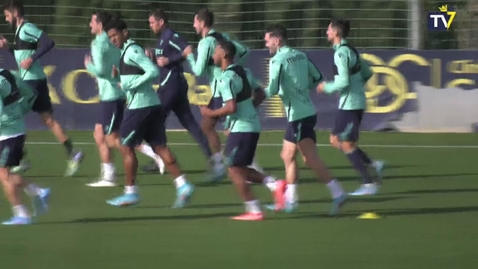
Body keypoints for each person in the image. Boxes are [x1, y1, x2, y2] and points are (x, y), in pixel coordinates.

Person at [104, 19, 194, 208]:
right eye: (110, 36)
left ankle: (130, 193)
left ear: (125, 33)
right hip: (151, 104)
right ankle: (183, 184)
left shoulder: (132, 51)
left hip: (140, 107)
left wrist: (128, 84)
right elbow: (136, 77)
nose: (113, 39)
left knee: (125, 146)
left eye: (115, 35)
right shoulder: (127, 52)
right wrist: (119, 79)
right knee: (159, 147)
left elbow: (153, 71)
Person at [263, 24, 347, 215]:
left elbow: (273, 90)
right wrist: (300, 87)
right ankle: (291, 201)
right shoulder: (300, 55)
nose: (265, 43)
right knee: (287, 155)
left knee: (310, 159)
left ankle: (338, 192)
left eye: (267, 40)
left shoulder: (277, 60)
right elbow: (317, 77)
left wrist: (254, 93)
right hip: (306, 112)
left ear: (277, 41)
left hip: (298, 116)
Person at [199, 41, 281, 221]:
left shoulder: (225, 78)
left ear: (224, 54)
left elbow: (231, 107)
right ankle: (275, 185)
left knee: (234, 170)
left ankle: (255, 210)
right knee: (240, 169)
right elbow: (260, 94)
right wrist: (249, 109)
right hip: (251, 126)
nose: (213, 54)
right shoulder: (245, 72)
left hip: (241, 128)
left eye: (216, 50)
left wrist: (210, 113)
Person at [0, 0, 83, 176]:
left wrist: (32, 59)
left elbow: (48, 42)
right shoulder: (19, 32)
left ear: (15, 13)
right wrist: (8, 49)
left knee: (9, 117)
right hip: (34, 80)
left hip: (31, 83)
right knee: (48, 120)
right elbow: (23, 59)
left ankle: (21, 159)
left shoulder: (27, 28)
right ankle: (73, 153)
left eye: (7, 16)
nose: (6, 20)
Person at [183, 8, 263, 181]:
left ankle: (225, 166)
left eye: (195, 21)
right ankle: (235, 165)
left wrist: (189, 56)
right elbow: (244, 52)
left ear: (202, 23)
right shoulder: (223, 36)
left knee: (213, 127)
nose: (193, 25)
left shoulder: (205, 43)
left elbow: (197, 70)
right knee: (220, 127)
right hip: (228, 84)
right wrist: (232, 68)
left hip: (221, 88)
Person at [317, 19, 385, 196]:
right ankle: (373, 164)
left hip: (351, 105)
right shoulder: (350, 50)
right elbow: (367, 72)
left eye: (329, 29)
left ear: (336, 33)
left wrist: (326, 87)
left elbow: (343, 82)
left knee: (346, 144)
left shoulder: (341, 54)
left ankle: (368, 183)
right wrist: (354, 87)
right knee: (335, 141)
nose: (326, 32)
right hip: (351, 102)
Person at [140, 9, 211, 174]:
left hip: (170, 86)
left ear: (161, 22)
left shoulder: (171, 35)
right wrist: (153, 57)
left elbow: (187, 50)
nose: (150, 26)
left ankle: (162, 160)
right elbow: (165, 59)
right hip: (175, 86)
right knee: (189, 122)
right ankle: (212, 158)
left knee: (153, 123)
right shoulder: (162, 39)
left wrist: (170, 60)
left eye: (152, 22)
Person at [0, 68, 50, 225]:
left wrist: (10, 118)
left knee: (4, 175)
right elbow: (30, 94)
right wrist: (18, 112)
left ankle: (22, 213)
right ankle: (37, 192)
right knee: (3, 174)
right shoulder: (9, 74)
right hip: (14, 130)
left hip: (8, 133)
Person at [84, 11, 126, 187]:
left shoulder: (99, 43)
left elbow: (101, 71)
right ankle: (108, 173)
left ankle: (150, 151)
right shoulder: (114, 41)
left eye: (92, 21)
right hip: (115, 94)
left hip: (110, 96)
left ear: (100, 25)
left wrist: (89, 67)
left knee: (112, 139)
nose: (89, 25)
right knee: (99, 135)